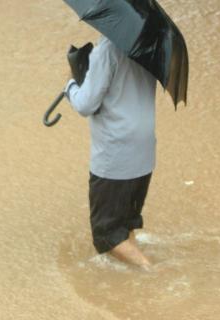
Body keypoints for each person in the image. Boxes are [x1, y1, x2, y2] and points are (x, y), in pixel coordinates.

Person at [63, 35, 156, 269]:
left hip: (116, 155)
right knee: (125, 227)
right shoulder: (150, 42)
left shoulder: (107, 50)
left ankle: (152, 272)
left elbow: (85, 104)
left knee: (106, 235)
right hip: (143, 151)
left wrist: (70, 85)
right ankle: (134, 276)